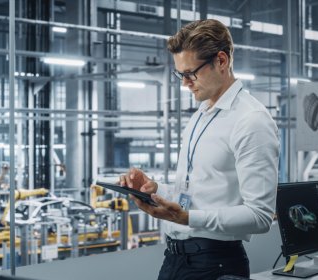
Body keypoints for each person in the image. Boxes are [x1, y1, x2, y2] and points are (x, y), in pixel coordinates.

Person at [119, 19, 279, 280]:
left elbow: (260, 216)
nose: (185, 83)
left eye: (191, 73)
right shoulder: (201, 115)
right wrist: (155, 189)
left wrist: (190, 219)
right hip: (175, 260)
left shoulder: (251, 120)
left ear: (221, 61)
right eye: (180, 74)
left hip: (215, 263)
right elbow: (193, 194)